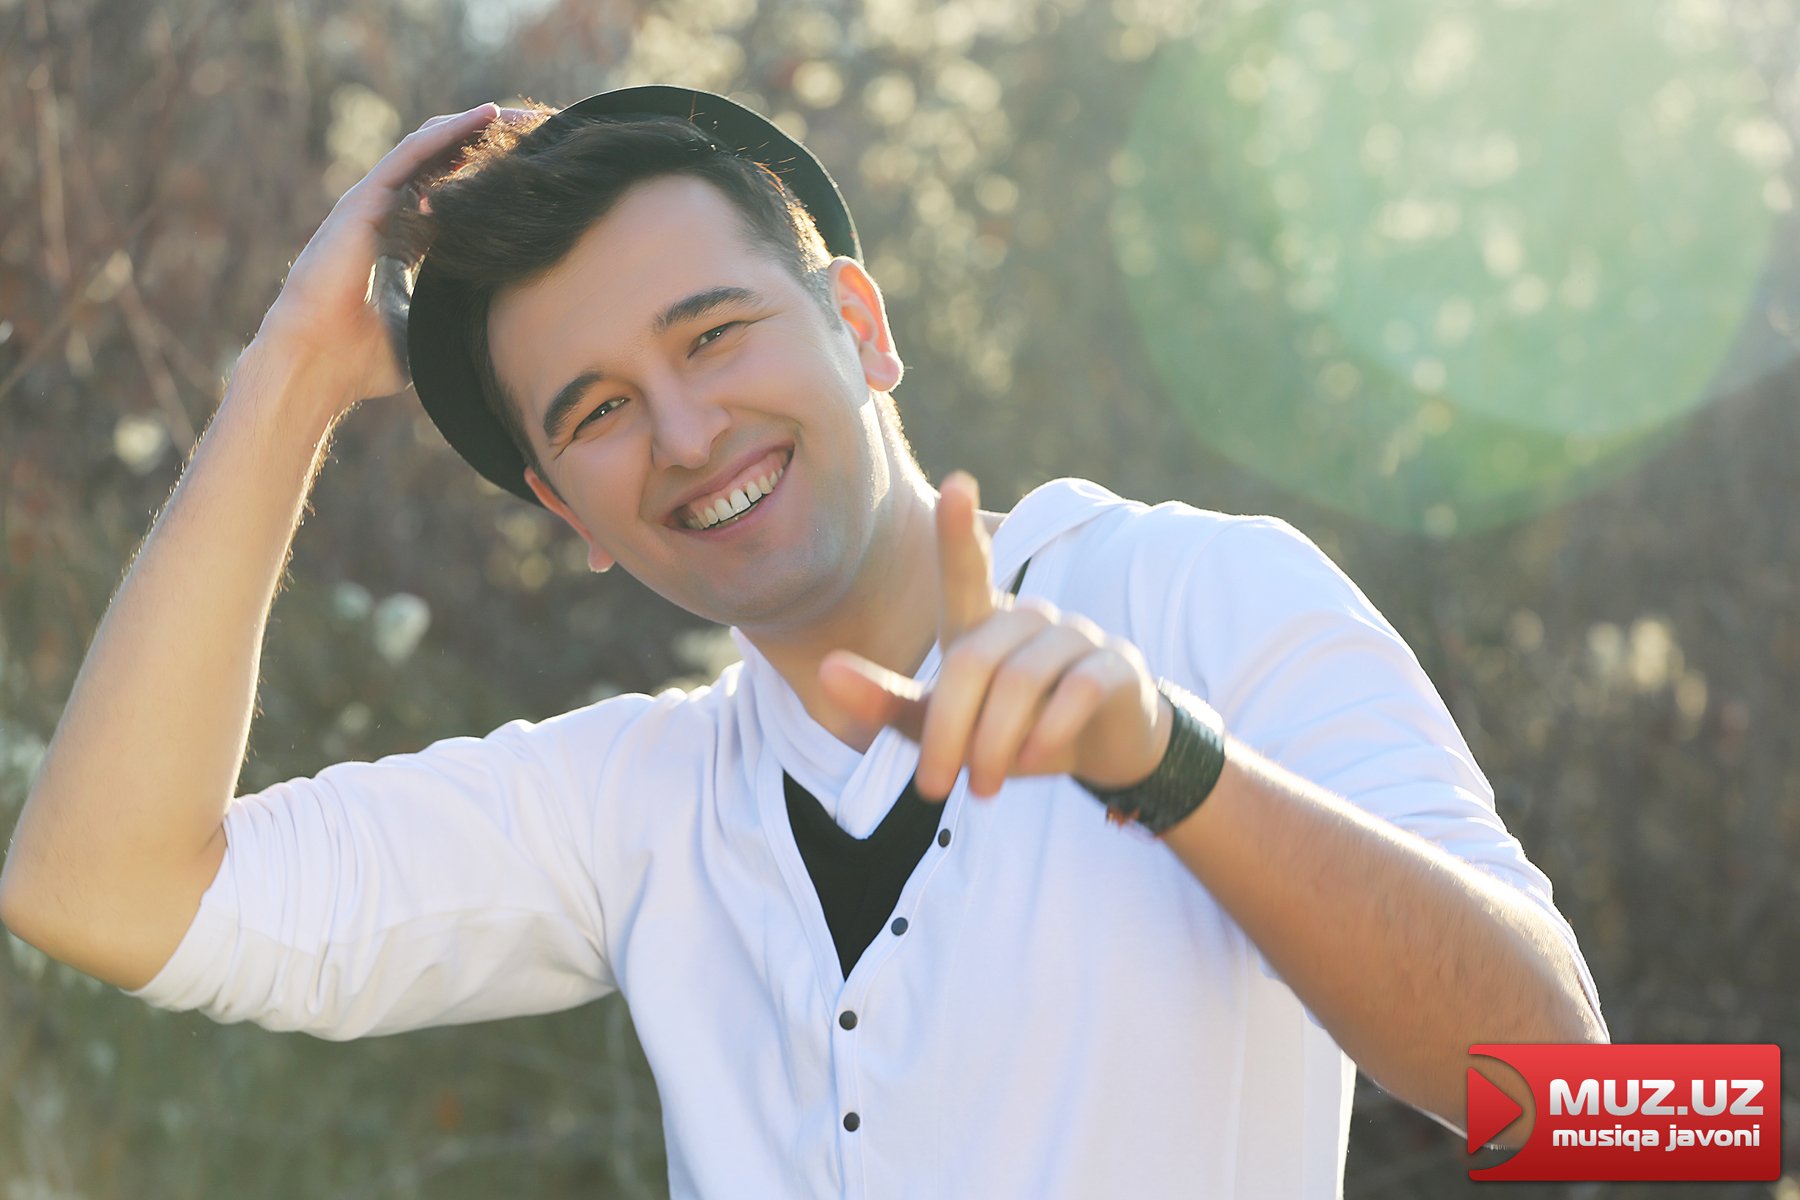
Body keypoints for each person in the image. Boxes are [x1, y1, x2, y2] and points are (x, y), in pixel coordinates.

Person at [0, 86, 1606, 1197]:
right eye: (598, 413)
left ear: (860, 325)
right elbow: (99, 891)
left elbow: (1565, 1095)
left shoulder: (1198, 595)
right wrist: (293, 373)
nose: (688, 432)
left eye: (715, 333)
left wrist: (1169, 763)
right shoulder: (631, 800)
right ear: (567, 509)